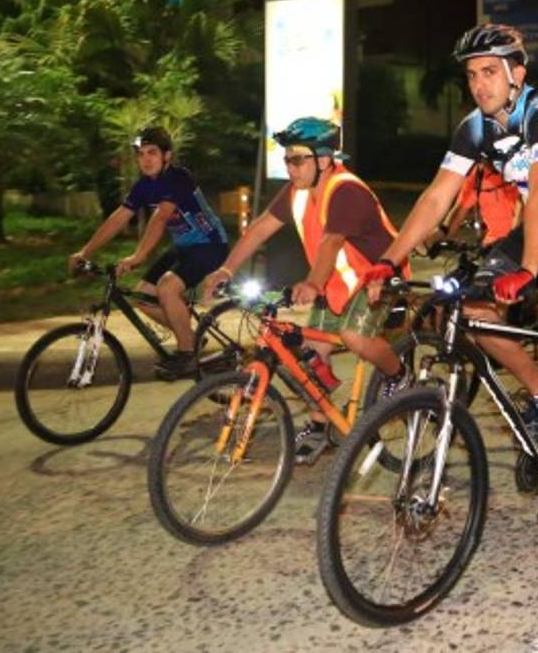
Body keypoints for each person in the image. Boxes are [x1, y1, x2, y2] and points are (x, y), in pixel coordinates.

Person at [363, 23, 538, 530]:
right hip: (537, 229)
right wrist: (389, 260)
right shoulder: (475, 128)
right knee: (473, 312)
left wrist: (527, 272)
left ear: (515, 73)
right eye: (472, 75)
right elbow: (437, 197)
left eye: (489, 72)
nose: (479, 85)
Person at [201, 116, 408, 464]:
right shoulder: (296, 192)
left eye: (298, 159)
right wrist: (226, 269)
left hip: (378, 278)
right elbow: (260, 228)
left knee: (353, 336)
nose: (291, 168)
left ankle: (398, 375)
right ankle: (319, 425)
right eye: (287, 160)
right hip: (337, 281)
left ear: (324, 159)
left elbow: (331, 242)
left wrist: (312, 282)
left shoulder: (346, 190)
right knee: (310, 352)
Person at [69, 127, 229, 378]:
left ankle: (187, 354)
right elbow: (118, 218)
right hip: (183, 248)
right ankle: (190, 337)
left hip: (211, 245)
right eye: (141, 154)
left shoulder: (178, 178)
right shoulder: (144, 186)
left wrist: (138, 256)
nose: (145, 159)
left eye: (152, 152)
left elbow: (161, 217)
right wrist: (85, 252)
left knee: (167, 287)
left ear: (167, 155)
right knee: (143, 296)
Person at [426, 158, 520, 249]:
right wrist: (441, 234)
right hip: (493, 244)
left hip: (521, 241)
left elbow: (524, 205)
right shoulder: (478, 176)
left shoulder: (520, 167)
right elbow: (460, 211)